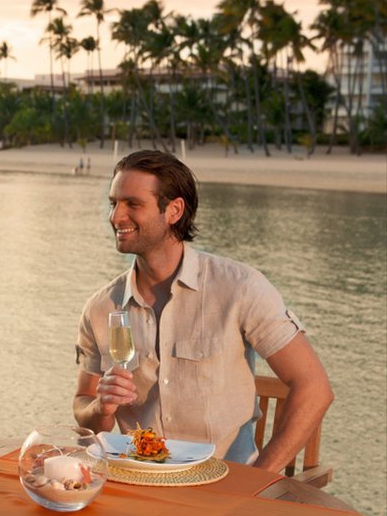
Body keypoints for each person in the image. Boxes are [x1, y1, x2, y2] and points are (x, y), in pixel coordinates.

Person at [73, 150, 333, 471]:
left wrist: (258, 480)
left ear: (174, 210)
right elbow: (84, 408)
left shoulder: (240, 288)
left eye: (133, 204)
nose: (115, 216)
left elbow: (314, 388)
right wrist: (102, 407)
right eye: (114, 203)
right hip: (134, 480)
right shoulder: (101, 308)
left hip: (223, 486)